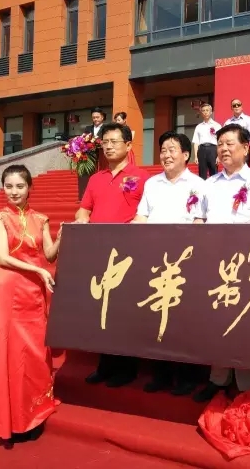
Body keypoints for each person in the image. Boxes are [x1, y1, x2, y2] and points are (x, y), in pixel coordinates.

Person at [192, 123, 250, 403]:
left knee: (244, 323)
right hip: (214, 264)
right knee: (216, 322)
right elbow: (199, 219)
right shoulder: (208, 184)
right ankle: (217, 379)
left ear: (245, 148)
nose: (224, 149)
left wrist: (234, 236)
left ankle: (247, 385)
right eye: (220, 144)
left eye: (230, 143)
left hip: (246, 266)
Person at [0, 165, 62, 449]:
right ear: (3, 188)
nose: (14, 191)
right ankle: (13, 421)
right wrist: (39, 271)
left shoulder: (41, 219)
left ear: (30, 187)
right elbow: (2, 257)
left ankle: (34, 413)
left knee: (35, 353)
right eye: (9, 186)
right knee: (10, 354)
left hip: (33, 294)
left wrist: (61, 237)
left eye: (20, 186)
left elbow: (49, 255)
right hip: (9, 291)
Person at [75, 122, 150, 388]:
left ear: (128, 145)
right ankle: (104, 365)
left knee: (124, 311)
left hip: (128, 254)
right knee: (101, 309)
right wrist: (81, 219)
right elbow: (84, 209)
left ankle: (127, 367)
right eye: (104, 142)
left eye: (114, 142)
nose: (108, 146)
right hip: (99, 252)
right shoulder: (96, 178)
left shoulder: (142, 177)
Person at [133, 131, 207, 395]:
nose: (165, 154)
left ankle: (188, 376)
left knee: (184, 321)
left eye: (171, 149)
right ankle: (161, 374)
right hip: (155, 262)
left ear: (186, 155)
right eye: (163, 150)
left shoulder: (199, 184)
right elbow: (141, 217)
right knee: (157, 317)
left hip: (184, 262)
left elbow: (200, 222)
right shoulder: (152, 184)